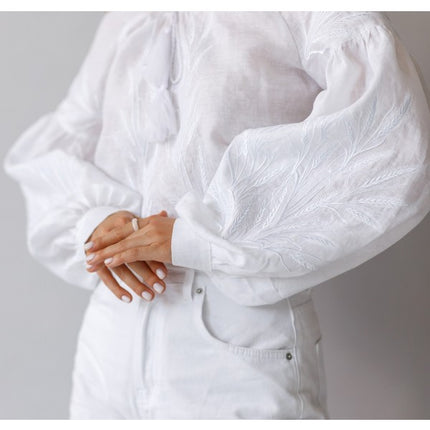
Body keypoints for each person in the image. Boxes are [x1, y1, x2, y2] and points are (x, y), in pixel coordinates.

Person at [3, 11, 430, 420]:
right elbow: (59, 147)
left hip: (232, 334)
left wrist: (200, 234)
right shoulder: (126, 17)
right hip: (112, 334)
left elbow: (391, 126)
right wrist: (95, 220)